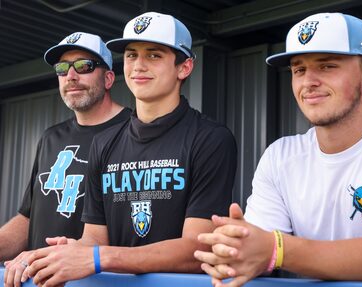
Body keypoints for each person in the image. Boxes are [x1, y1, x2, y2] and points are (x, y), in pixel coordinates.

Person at [194, 12, 362, 286]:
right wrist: (234, 250)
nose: (308, 82)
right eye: (299, 69)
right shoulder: (280, 155)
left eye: (327, 66)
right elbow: (254, 252)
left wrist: (276, 249)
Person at [25, 11, 237, 286]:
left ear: (184, 67)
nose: (138, 65)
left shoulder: (210, 139)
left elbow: (197, 251)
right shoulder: (104, 144)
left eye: (154, 55)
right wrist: (69, 251)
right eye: (131, 54)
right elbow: (94, 240)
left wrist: (100, 258)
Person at [0, 32, 131, 287]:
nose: (71, 76)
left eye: (83, 66)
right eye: (62, 68)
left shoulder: (134, 133)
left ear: (108, 78)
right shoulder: (51, 137)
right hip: (39, 280)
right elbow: (28, 219)